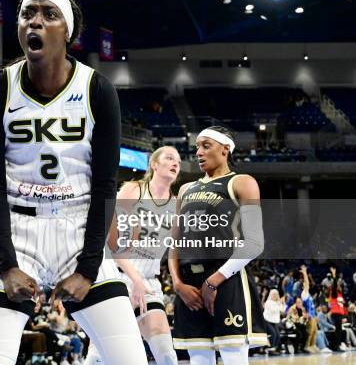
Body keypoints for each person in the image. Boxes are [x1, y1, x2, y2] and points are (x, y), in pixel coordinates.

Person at [0, 0, 147, 365]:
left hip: (78, 228)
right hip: (15, 230)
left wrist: (87, 269)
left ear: (67, 32)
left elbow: (104, 185)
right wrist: (6, 264)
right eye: (27, 14)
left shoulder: (96, 89)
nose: (35, 20)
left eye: (48, 14)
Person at [168, 126, 268, 364]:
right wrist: (177, 284)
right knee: (199, 359)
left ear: (225, 150)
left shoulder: (242, 182)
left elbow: (255, 243)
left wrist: (214, 280)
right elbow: (174, 243)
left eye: (206, 146)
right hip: (188, 286)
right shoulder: (185, 189)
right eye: (196, 148)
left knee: (233, 356)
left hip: (226, 279)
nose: (199, 153)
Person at [87, 146, 181, 365]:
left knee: (167, 353)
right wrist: (135, 279)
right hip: (117, 277)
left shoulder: (176, 204)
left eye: (178, 160)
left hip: (148, 282)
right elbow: (109, 241)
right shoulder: (133, 190)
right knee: (99, 356)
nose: (175, 163)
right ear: (154, 164)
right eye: (169, 158)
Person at [263, 289, 284, 355]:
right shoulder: (268, 302)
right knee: (273, 334)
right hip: (267, 321)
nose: (275, 296)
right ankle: (270, 349)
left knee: (278, 334)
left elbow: (282, 310)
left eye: (276, 294)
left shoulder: (277, 302)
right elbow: (273, 310)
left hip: (274, 321)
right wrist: (279, 303)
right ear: (271, 295)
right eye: (274, 294)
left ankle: (274, 349)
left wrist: (281, 303)